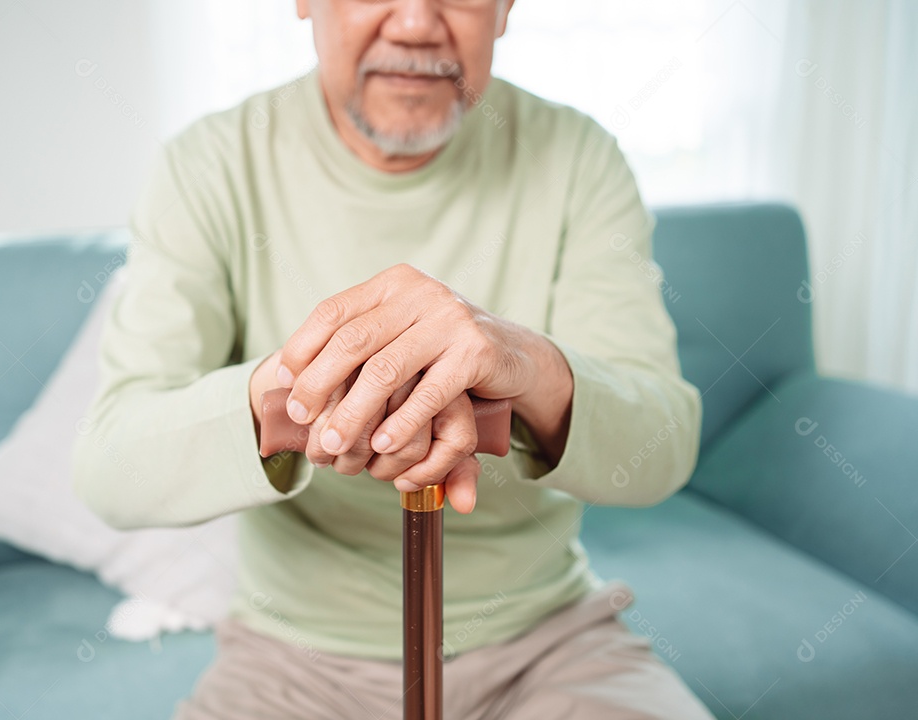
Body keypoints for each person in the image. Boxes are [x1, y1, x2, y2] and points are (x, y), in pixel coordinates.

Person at [72, 0, 715, 717]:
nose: (414, 23)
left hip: (548, 644)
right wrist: (312, 389)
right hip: (291, 665)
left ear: (505, 8)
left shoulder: (579, 156)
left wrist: (518, 364)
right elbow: (111, 469)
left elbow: (663, 446)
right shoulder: (210, 165)